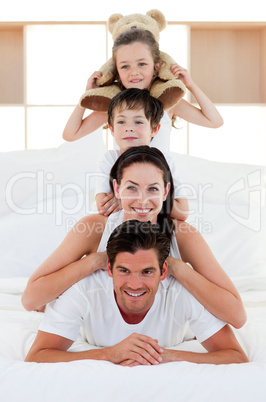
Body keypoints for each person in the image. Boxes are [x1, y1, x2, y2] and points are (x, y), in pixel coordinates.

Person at [22, 146, 247, 331]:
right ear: (116, 189)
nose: (142, 200)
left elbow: (237, 316)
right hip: (102, 334)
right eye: (132, 188)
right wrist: (95, 261)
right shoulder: (94, 228)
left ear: (166, 192)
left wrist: (174, 267)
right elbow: (31, 299)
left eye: (152, 189)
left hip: (167, 335)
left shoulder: (182, 235)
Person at [25, 220, 248, 365]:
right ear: (109, 268)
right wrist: (109, 354)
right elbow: (37, 355)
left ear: (163, 271)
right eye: (124, 270)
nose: (134, 284)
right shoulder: (84, 289)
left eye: (147, 272)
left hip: (181, 330)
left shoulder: (183, 290)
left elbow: (236, 356)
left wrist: (163, 355)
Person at [62, 28, 223, 154]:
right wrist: (86, 96)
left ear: (156, 67)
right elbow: (70, 134)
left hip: (159, 184)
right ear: (116, 72)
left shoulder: (168, 104)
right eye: (125, 66)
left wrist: (191, 85)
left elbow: (214, 121)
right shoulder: (115, 106)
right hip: (126, 183)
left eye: (142, 64)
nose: (134, 72)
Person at [95, 88, 189, 220]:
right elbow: (103, 206)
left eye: (138, 122)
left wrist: (126, 199)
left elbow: (183, 212)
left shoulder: (164, 160)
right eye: (121, 122)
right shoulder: (110, 159)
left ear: (154, 129)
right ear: (111, 129)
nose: (129, 128)